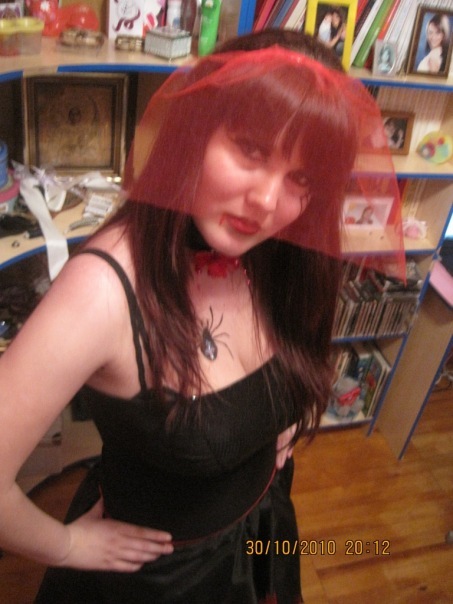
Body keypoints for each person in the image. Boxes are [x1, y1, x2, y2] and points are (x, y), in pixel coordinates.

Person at [0, 30, 403, 603]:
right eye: (252, 151)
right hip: (166, 582)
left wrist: (279, 427)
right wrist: (67, 547)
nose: (267, 202)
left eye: (301, 179)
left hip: (260, 534)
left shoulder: (275, 253)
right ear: (196, 132)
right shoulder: (102, 292)